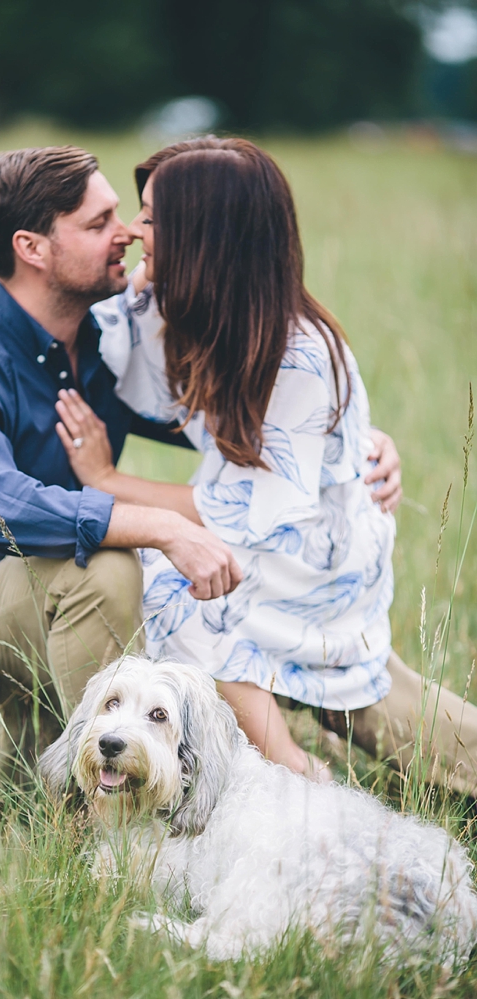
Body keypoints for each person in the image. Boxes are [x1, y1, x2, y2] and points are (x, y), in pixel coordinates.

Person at [45, 137, 477, 795]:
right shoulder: (192, 309)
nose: (135, 232)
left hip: (314, 558)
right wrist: (9, 286)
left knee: (174, 583)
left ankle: (295, 780)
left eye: (154, 219)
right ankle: (254, 761)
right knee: (176, 571)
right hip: (272, 531)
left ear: (204, 238)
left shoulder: (298, 357)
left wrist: (106, 481)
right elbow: (96, 326)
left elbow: (238, 510)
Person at [0, 145, 242, 764]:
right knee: (106, 569)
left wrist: (342, 437)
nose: (129, 233)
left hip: (45, 608)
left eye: (123, 216)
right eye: (99, 223)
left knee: (205, 563)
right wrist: (162, 527)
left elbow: (219, 418)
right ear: (31, 248)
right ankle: (108, 817)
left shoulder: (106, 341)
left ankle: (210, 765)